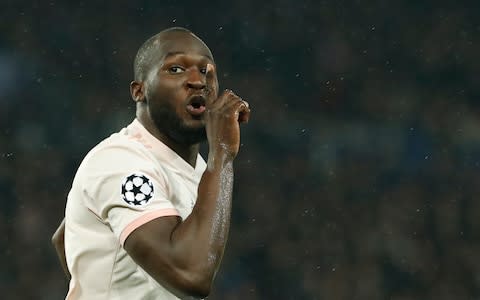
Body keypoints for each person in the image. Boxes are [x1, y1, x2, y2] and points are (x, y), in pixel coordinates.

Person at [51, 27, 251, 299]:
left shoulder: (200, 169)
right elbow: (192, 276)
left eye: (206, 71)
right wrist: (223, 153)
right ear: (139, 91)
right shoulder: (120, 160)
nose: (198, 81)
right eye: (176, 69)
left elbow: (67, 237)